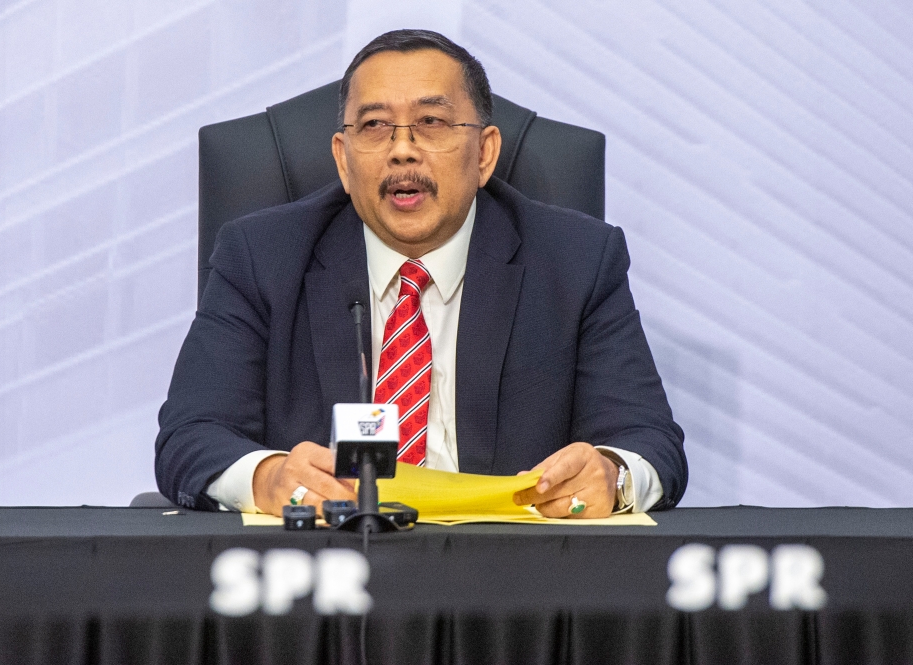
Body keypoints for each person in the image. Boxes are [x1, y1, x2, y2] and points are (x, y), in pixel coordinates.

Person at [155, 29, 687, 518]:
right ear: (343, 160)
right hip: (324, 573)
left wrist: (613, 477)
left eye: (431, 123)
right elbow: (190, 435)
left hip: (511, 580)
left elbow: (650, 441)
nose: (402, 149)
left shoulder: (577, 260)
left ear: (485, 153)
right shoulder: (261, 257)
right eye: (374, 126)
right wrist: (269, 479)